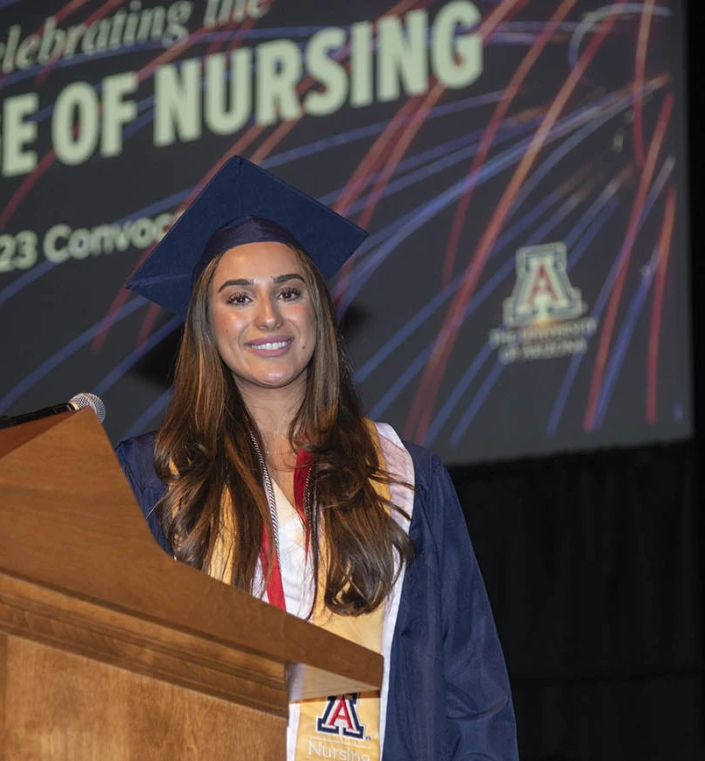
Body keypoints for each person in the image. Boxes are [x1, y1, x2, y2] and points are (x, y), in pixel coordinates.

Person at [115, 156, 518, 760]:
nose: (269, 317)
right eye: (239, 297)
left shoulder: (406, 477)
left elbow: (471, 690)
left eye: (289, 291)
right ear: (208, 323)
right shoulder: (155, 478)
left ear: (318, 313)